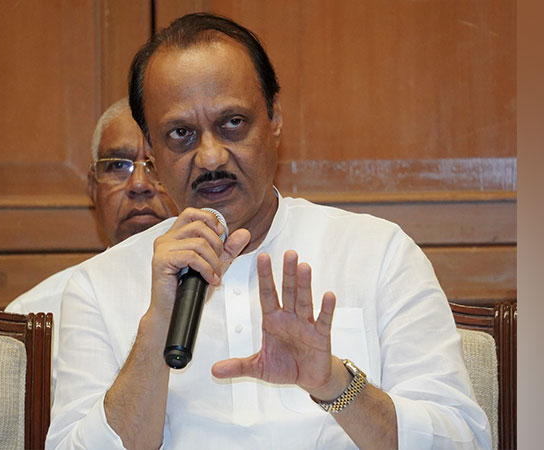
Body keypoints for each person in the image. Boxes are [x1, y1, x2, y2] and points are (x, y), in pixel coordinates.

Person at [46, 13, 491, 450]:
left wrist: (334, 383)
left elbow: (463, 440)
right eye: (181, 133)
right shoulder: (96, 286)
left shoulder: (378, 253)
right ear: (151, 147)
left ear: (274, 119)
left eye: (233, 123)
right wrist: (157, 325)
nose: (210, 157)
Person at [5, 97, 178, 395]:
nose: (139, 184)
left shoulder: (227, 296)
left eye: (156, 165)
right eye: (117, 165)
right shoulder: (30, 317)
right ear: (92, 188)